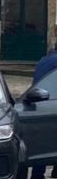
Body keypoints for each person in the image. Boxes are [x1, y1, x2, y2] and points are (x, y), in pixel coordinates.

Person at [30, 43, 57, 179]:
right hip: (51, 103)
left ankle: (37, 173)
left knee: (42, 141)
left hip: (37, 103)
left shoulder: (44, 60)